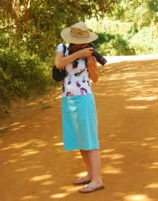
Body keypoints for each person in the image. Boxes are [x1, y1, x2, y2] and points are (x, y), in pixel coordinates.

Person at [54, 22, 104, 193]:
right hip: (67, 98)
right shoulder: (62, 48)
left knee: (89, 138)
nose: (83, 44)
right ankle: (90, 174)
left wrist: (90, 62)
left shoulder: (88, 52)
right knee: (79, 138)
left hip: (84, 97)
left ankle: (97, 180)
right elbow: (59, 64)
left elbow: (95, 79)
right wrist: (79, 54)